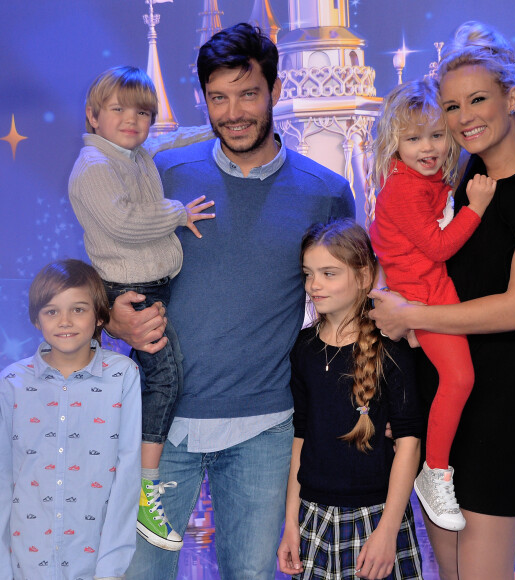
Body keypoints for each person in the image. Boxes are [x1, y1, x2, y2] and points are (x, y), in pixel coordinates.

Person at [102, 24, 355, 580]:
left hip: (264, 431)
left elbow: (346, 306)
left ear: (276, 91)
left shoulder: (326, 189)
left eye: (248, 93)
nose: (233, 111)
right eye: (219, 97)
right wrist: (112, 317)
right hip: (156, 427)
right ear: (203, 100)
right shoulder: (165, 174)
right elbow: (103, 271)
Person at [368, 21, 515, 580]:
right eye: (451, 105)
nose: (464, 117)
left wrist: (409, 316)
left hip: (499, 408)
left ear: (512, 100)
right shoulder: (456, 187)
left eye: (479, 99)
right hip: (437, 399)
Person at [68, 65, 216, 552]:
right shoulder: (93, 168)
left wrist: (216, 122)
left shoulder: (132, 153)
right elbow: (125, 223)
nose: (133, 121)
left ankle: (117, 471)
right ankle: (141, 491)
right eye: (119, 110)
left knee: (139, 380)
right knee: (165, 378)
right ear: (92, 117)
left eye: (144, 113)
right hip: (132, 289)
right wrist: (179, 212)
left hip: (150, 283)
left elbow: (169, 141)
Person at [368, 79, 496, 532]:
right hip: (423, 295)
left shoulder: (428, 179)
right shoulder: (403, 189)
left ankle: (434, 468)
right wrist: (476, 207)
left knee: (454, 380)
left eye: (437, 135)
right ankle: (435, 471)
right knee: (460, 377)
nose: (429, 147)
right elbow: (439, 247)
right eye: (414, 138)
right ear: (393, 143)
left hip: (426, 290)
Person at [277, 220, 423, 580]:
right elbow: (301, 438)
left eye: (329, 273)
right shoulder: (303, 348)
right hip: (313, 517)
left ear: (363, 275)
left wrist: (389, 530)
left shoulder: (392, 347)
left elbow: (409, 442)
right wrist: (291, 523)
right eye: (308, 274)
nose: (314, 285)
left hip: (377, 518)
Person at [0, 259, 142, 580]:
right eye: (51, 311)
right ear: (36, 319)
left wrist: (111, 568)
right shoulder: (11, 382)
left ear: (100, 316)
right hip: (26, 561)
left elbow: (128, 474)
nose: (65, 321)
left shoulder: (122, 375)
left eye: (78, 309)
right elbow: (2, 476)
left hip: (93, 559)